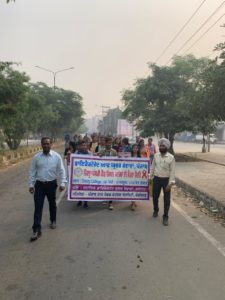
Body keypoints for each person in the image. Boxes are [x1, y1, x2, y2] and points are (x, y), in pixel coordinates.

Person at [29, 137, 67, 242]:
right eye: (44, 144)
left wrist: (62, 183)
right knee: (38, 206)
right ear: (41, 145)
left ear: (51, 144)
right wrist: (31, 185)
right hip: (39, 185)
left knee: (52, 204)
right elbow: (32, 171)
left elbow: (61, 170)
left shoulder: (56, 157)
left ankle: (53, 220)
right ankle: (36, 230)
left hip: (51, 184)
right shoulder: (36, 157)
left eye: (48, 143)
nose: (46, 145)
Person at [149, 138, 175, 226]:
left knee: (166, 199)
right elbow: (152, 167)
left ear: (166, 147)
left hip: (166, 180)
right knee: (155, 196)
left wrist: (170, 183)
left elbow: (172, 171)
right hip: (156, 179)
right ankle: (156, 210)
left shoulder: (171, 157)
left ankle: (165, 216)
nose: (161, 147)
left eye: (163, 146)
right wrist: (150, 178)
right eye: (160, 146)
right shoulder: (156, 155)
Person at [98, 137, 117, 210]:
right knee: (104, 186)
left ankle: (110, 202)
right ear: (105, 143)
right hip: (104, 172)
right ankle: (104, 197)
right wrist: (98, 156)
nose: (110, 144)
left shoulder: (114, 152)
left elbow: (117, 161)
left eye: (111, 143)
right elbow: (97, 157)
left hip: (112, 172)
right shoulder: (102, 151)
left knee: (111, 187)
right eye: (108, 142)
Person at [76, 141, 92, 208]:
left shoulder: (89, 153)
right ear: (79, 146)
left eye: (85, 145)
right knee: (79, 188)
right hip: (79, 174)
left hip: (86, 174)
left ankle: (85, 202)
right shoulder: (76, 153)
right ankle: (80, 200)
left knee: (86, 188)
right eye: (82, 145)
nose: (83, 146)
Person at [130, 144, 141, 211]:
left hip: (137, 175)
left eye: (136, 148)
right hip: (130, 175)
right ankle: (133, 203)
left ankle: (133, 201)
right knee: (132, 189)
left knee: (135, 189)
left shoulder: (140, 157)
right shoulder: (129, 156)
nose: (135, 149)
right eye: (134, 148)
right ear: (132, 149)